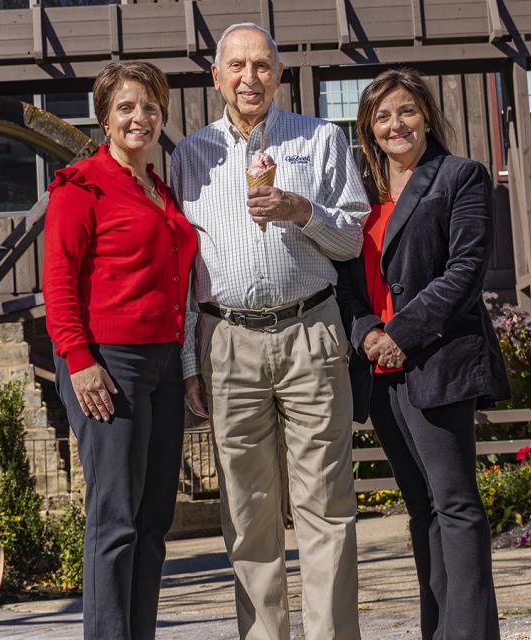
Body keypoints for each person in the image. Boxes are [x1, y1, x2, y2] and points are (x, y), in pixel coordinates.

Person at [171, 23, 370, 640]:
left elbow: (352, 240)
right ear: (216, 77)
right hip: (227, 338)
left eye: (261, 66)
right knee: (247, 511)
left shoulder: (320, 139)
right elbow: (181, 269)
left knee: (326, 504)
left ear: (278, 75)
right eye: (236, 66)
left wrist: (300, 210)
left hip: (311, 329)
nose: (248, 78)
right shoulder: (189, 156)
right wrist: (188, 362)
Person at [336, 68, 510, 640]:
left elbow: (464, 273)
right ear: (368, 127)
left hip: (437, 360)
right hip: (380, 370)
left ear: (427, 115)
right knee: (420, 509)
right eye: (382, 116)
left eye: (406, 111)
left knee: (455, 504)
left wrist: (399, 335)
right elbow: (348, 283)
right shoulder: (363, 192)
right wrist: (365, 333)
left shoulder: (461, 177)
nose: (395, 125)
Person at [43, 61, 197, 640]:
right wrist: (79, 362)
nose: (141, 117)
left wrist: (184, 366)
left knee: (155, 520)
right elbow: (57, 282)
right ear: (105, 118)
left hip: (161, 362)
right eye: (127, 107)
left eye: (151, 106)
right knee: (115, 520)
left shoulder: (160, 188)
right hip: (109, 362)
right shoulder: (80, 184)